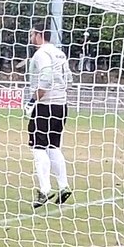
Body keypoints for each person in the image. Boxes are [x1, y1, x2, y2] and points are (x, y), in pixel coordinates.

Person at [26, 28, 73, 207]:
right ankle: (64, 186)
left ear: (39, 35)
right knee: (53, 146)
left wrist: (32, 101)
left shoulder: (41, 54)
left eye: (32, 34)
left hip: (45, 106)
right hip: (61, 106)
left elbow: (45, 79)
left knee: (38, 147)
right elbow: (69, 80)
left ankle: (45, 190)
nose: (31, 38)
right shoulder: (60, 53)